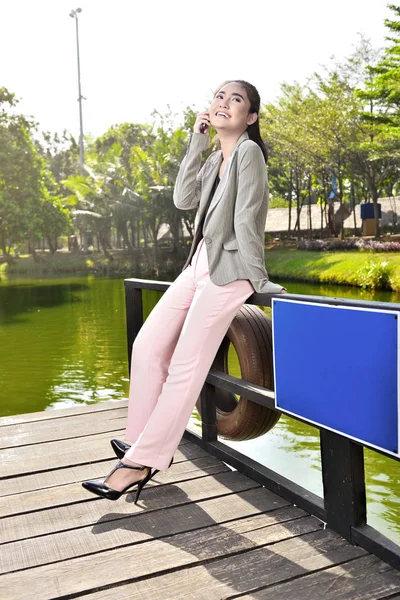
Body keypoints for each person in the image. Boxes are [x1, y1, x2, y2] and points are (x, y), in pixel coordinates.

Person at [82, 80, 287, 503]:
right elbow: (182, 199)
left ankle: (139, 463)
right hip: (199, 264)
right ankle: (140, 440)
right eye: (219, 96)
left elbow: (248, 219)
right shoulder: (216, 157)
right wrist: (197, 141)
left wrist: (257, 277)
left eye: (236, 100)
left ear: (250, 117)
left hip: (229, 270)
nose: (224, 103)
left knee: (185, 364)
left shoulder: (249, 154)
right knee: (148, 345)